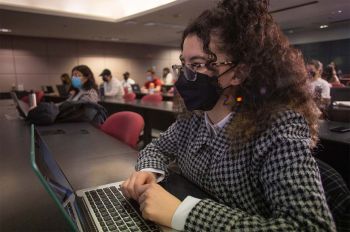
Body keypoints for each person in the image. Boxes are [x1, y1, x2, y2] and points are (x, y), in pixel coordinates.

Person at [121, 0, 335, 231]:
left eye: (198, 64)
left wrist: (182, 213)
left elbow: (312, 226)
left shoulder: (278, 127)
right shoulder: (194, 118)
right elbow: (157, 147)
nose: (184, 76)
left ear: (238, 73)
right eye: (184, 64)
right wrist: (148, 171)